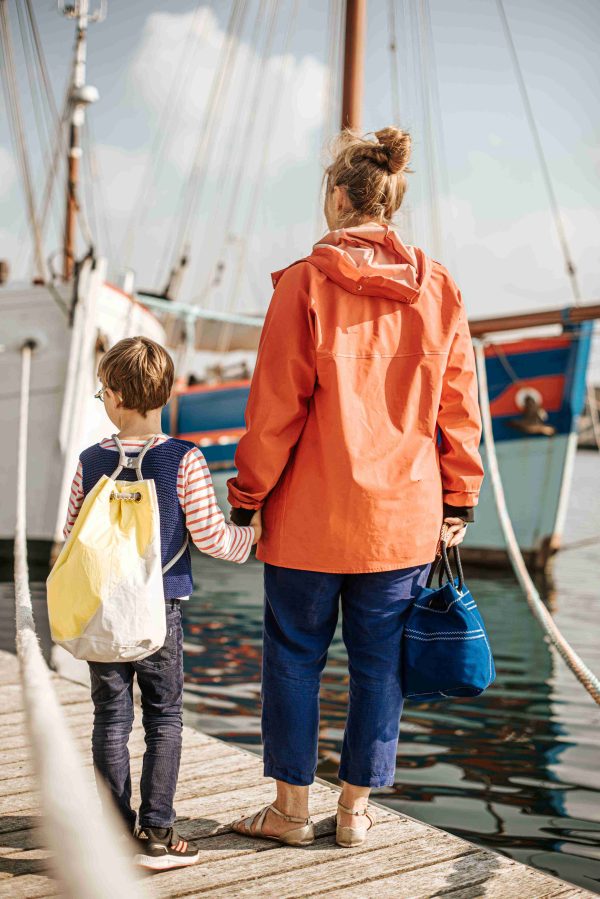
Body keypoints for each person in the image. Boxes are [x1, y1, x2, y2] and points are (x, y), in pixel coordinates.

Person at [227, 127, 484, 848]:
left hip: (309, 517)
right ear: (390, 202)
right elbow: (458, 404)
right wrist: (460, 496)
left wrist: (247, 494)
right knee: (380, 666)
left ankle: (288, 810)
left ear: (339, 198)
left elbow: (275, 409)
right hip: (402, 518)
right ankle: (354, 813)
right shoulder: (438, 288)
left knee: (293, 656)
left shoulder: (303, 284)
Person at [63, 336, 261, 869]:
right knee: (164, 717)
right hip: (160, 611)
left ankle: (112, 831)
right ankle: (157, 831)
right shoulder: (185, 460)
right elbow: (213, 539)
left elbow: (71, 538)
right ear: (162, 395)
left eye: (102, 390)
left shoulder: (90, 460)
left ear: (118, 398)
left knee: (109, 717)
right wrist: (254, 536)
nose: (101, 399)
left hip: (102, 612)